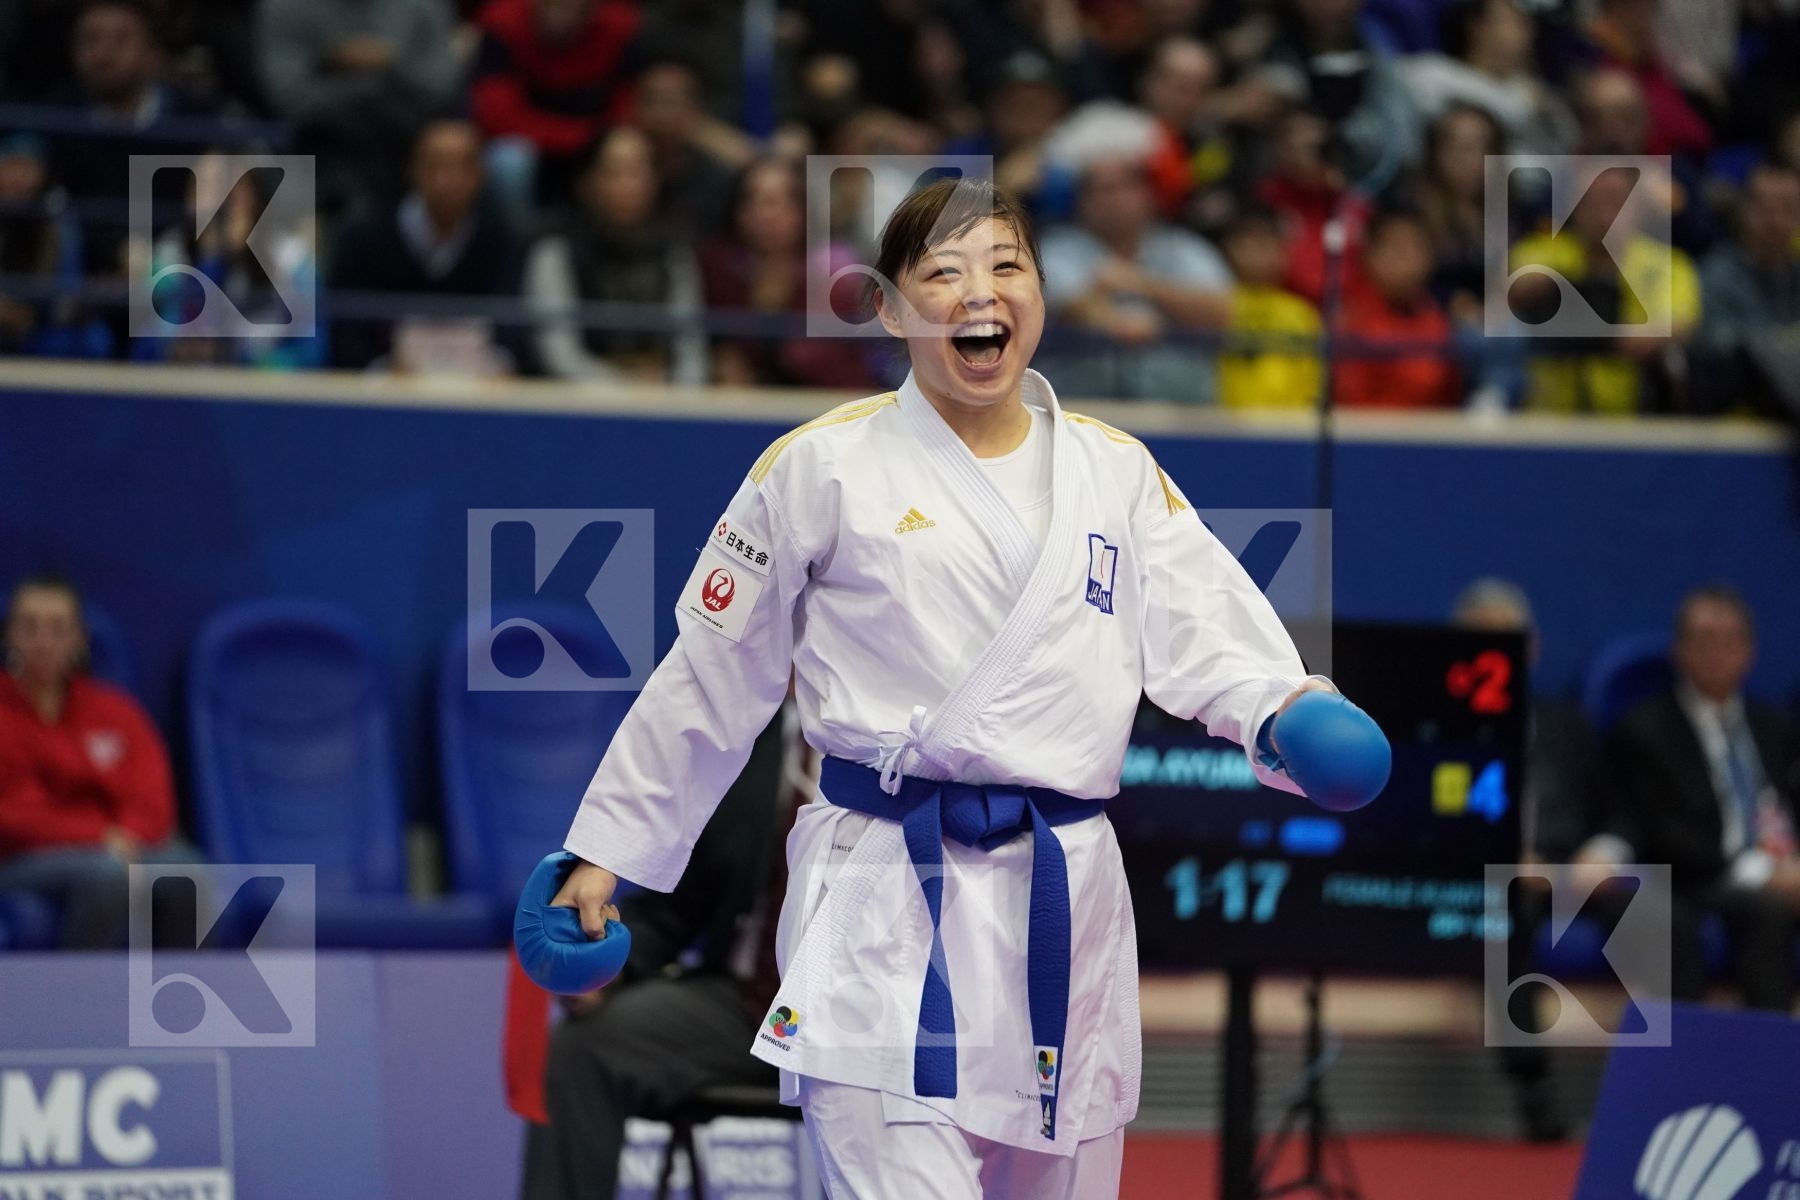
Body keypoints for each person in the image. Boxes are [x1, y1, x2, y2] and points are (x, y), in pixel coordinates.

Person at [548, 177, 1353, 1199]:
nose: (982, 292)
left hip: (1064, 896)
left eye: (1007, 266)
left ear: (1041, 296)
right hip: (884, 889)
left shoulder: (1115, 472)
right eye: (945, 272)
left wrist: (1284, 709)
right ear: (890, 308)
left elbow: (1209, 638)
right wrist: (609, 852)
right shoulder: (821, 467)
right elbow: (709, 679)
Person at [519, 710, 803, 1200]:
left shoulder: (901, 743)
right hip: (745, 1009)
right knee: (585, 1047)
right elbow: (676, 907)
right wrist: (611, 972)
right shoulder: (751, 742)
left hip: (863, 1015)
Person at [1596, 586, 1800, 1010]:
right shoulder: (1645, 730)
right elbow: (1666, 836)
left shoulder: (1774, 727)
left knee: (1770, 910)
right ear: (1680, 651)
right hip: (1686, 878)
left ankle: (1770, 1062)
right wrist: (1763, 871)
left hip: (1769, 873)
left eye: (1730, 641)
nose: (1718, 652)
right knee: (1737, 913)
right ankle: (1686, 1065)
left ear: (1750, 652)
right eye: (1705, 640)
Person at [0, 576, 177, 949]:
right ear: (10, 635)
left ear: (79, 639)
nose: (43, 642)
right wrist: (98, 836)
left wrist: (126, 834)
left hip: (116, 844)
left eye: (57, 629)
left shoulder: (115, 711)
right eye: (29, 627)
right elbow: (13, 816)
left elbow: (151, 797)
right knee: (109, 874)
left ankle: (183, 999)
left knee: (188, 873)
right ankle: (72, 1000)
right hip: (18, 858)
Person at [1036, 117, 1235, 402]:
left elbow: (1220, 313)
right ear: (1078, 198)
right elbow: (1066, 303)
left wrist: (1141, 284)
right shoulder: (1056, 249)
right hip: (1079, 415)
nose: (1113, 199)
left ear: (1151, 193)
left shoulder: (1185, 249)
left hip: (1183, 418)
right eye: (1100, 189)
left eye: (1126, 186)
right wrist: (1110, 318)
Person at [329, 119, 524, 374]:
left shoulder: (502, 240)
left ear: (481, 175)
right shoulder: (364, 237)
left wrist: (496, 366)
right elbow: (347, 327)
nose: (446, 180)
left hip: (478, 388)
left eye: (461, 167)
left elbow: (513, 329)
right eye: (434, 166)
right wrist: (380, 370)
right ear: (412, 169)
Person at [523, 125, 705, 384]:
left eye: (637, 172)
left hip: (665, 402)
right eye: (613, 172)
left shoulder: (674, 253)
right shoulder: (556, 252)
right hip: (585, 408)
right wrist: (626, 389)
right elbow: (558, 352)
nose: (628, 186)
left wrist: (678, 391)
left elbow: (690, 348)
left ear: (654, 182)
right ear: (586, 182)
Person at [1694, 164, 1800, 416]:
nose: (1774, 220)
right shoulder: (1717, 273)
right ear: (1745, 211)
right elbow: (1722, 347)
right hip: (1736, 413)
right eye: (1764, 208)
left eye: (1786, 208)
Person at [1334, 208, 1460, 409]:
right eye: (1396, 249)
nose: (1407, 259)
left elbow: (1449, 398)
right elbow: (1351, 401)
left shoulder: (1437, 319)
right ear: (1369, 255)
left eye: (1416, 248)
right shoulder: (1349, 319)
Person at [1216, 209, 1323, 410]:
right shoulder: (1216, 307)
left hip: (1288, 425)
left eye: (1264, 245)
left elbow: (1313, 381)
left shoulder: (1300, 313)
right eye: (1245, 245)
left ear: (1283, 251)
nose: (1255, 254)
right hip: (1225, 423)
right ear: (1228, 250)